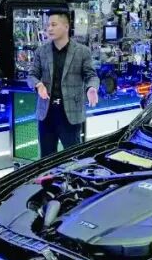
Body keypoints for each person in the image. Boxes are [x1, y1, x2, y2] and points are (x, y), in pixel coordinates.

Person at [27, 11, 99, 158]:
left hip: (70, 114)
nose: (49, 29)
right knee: (46, 159)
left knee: (74, 158)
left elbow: (91, 75)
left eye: (53, 25)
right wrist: (38, 85)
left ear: (66, 27)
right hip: (46, 113)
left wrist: (91, 88)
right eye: (48, 25)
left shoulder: (82, 52)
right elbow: (31, 75)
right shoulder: (41, 51)